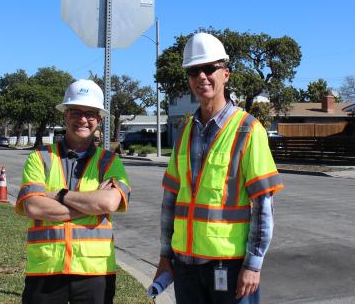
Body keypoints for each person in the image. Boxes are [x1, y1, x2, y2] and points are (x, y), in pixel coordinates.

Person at [154, 32, 284, 303]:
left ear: (225, 74)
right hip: (185, 265)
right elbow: (170, 201)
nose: (201, 76)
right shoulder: (185, 131)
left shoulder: (249, 129)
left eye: (209, 68)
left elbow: (263, 206)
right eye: (193, 71)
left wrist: (253, 264)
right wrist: (166, 255)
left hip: (230, 265)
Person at [16, 79, 131, 304]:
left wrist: (59, 195)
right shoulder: (39, 158)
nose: (83, 119)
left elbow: (108, 203)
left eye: (90, 114)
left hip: (95, 271)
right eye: (76, 112)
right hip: (46, 269)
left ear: (99, 120)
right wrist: (90, 206)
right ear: (65, 115)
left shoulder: (110, 162)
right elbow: (33, 206)